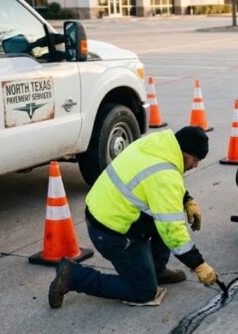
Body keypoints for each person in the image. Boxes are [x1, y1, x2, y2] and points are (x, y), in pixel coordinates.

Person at [48, 127, 217, 308]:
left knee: (164, 215)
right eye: (195, 159)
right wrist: (198, 265)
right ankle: (73, 276)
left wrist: (186, 199)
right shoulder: (165, 176)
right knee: (143, 291)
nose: (196, 165)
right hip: (110, 232)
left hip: (107, 212)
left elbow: (154, 180)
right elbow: (173, 231)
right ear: (184, 152)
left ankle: (156, 269)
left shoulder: (157, 145)